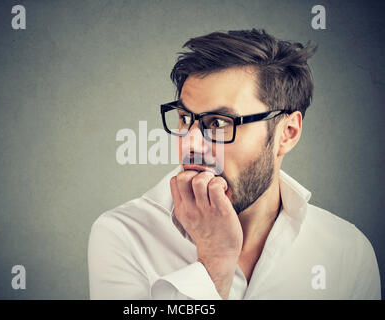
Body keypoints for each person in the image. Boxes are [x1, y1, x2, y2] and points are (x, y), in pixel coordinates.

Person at [88, 29, 381, 299]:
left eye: (218, 123)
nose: (190, 143)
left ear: (287, 133)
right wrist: (214, 263)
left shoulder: (347, 252)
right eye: (184, 118)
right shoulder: (124, 235)